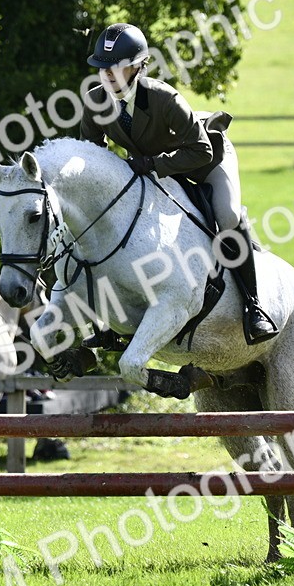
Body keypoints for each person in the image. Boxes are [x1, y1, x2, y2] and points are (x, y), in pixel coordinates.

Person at [78, 22, 278, 345]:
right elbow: (90, 155)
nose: (109, 75)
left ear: (137, 68)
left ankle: (254, 308)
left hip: (205, 161)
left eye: (118, 68)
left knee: (226, 215)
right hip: (155, 171)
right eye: (103, 68)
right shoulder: (95, 102)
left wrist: (154, 165)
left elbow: (201, 150)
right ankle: (111, 322)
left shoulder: (163, 98)